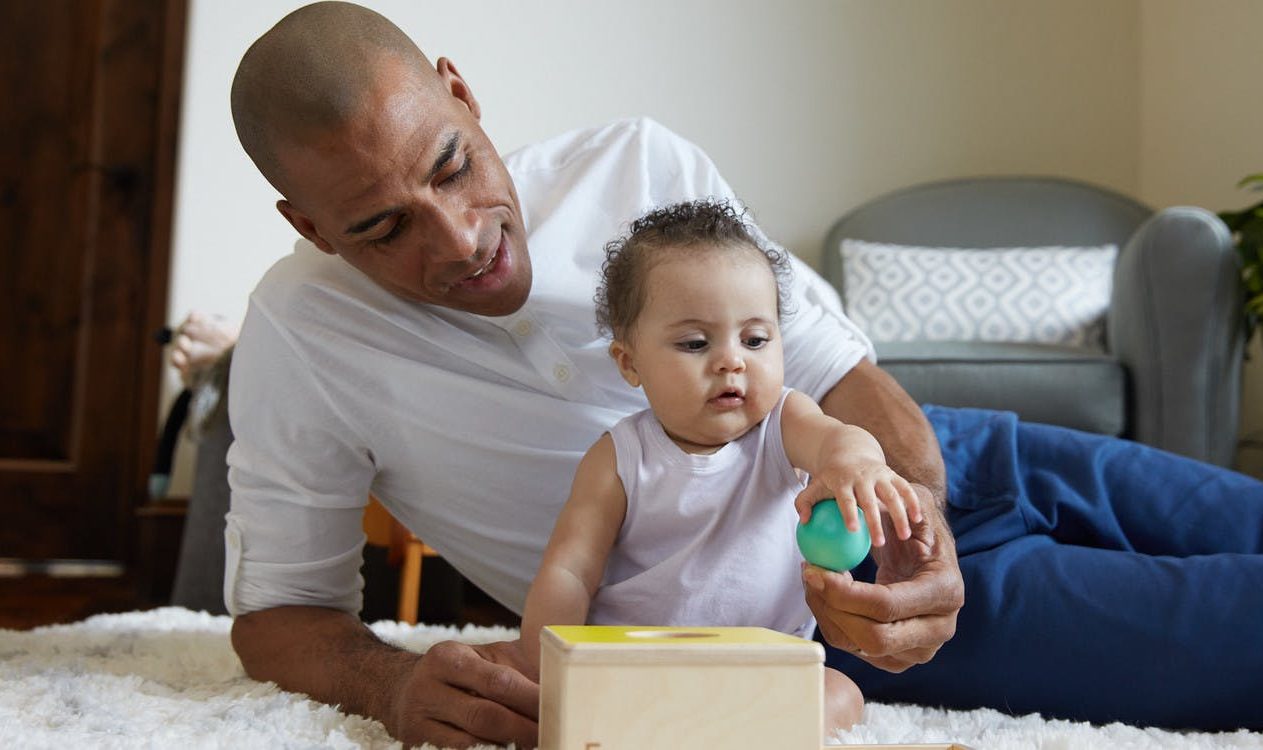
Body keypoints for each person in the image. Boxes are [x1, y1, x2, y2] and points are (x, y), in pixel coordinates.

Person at [222, 2, 1262, 747]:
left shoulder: (636, 166)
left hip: (942, 462)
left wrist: (919, 520)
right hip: (822, 607)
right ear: (308, 226)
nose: (459, 240)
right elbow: (280, 614)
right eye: (382, 227)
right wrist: (396, 684)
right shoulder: (299, 339)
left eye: (451, 165)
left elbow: (841, 376)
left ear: (462, 93)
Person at [518, 199, 924, 732]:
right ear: (630, 362)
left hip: (765, 665)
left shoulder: (783, 425)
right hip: (642, 665)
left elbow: (837, 441)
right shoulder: (618, 458)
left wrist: (859, 465)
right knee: (595, 711)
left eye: (756, 340)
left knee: (840, 696)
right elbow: (570, 569)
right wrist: (543, 668)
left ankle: (729, 735)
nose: (732, 360)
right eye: (694, 343)